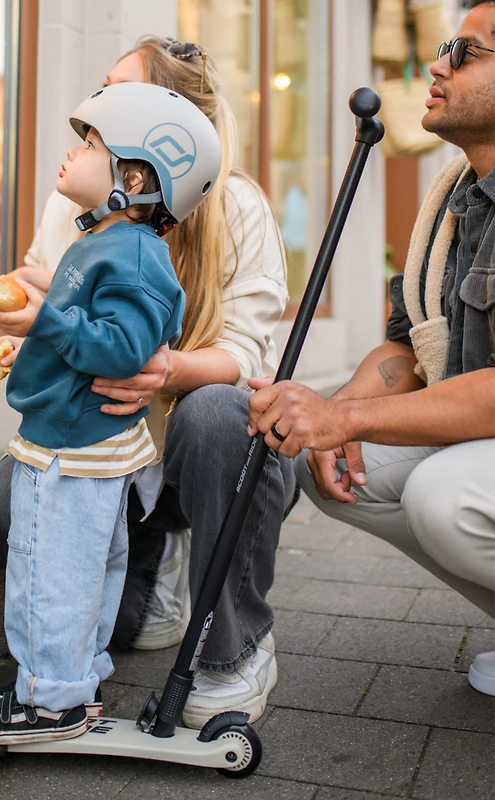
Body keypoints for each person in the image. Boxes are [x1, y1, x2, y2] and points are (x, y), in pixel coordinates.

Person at [0, 36, 294, 729]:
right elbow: (49, 298)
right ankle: (151, 569)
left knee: (213, 416)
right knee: (2, 511)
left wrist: (167, 371)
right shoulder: (77, 202)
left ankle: (234, 647)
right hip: (100, 447)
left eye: (118, 92)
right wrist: (22, 331)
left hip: (189, 453)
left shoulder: (234, 205)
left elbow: (246, 355)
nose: (93, 108)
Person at [247, 0, 495, 698]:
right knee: (332, 469)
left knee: (445, 497)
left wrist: (348, 420)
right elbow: (407, 348)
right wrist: (335, 411)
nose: (437, 65)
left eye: (466, 52)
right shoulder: (455, 199)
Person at [0, 81, 222, 744]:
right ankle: (74, 681)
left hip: (74, 453)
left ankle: (49, 701)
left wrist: (44, 318)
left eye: (90, 143)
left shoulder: (132, 254)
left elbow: (126, 346)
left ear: (134, 175)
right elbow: (86, 320)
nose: (72, 152)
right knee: (82, 571)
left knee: (46, 571)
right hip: (80, 443)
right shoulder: (104, 244)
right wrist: (36, 313)